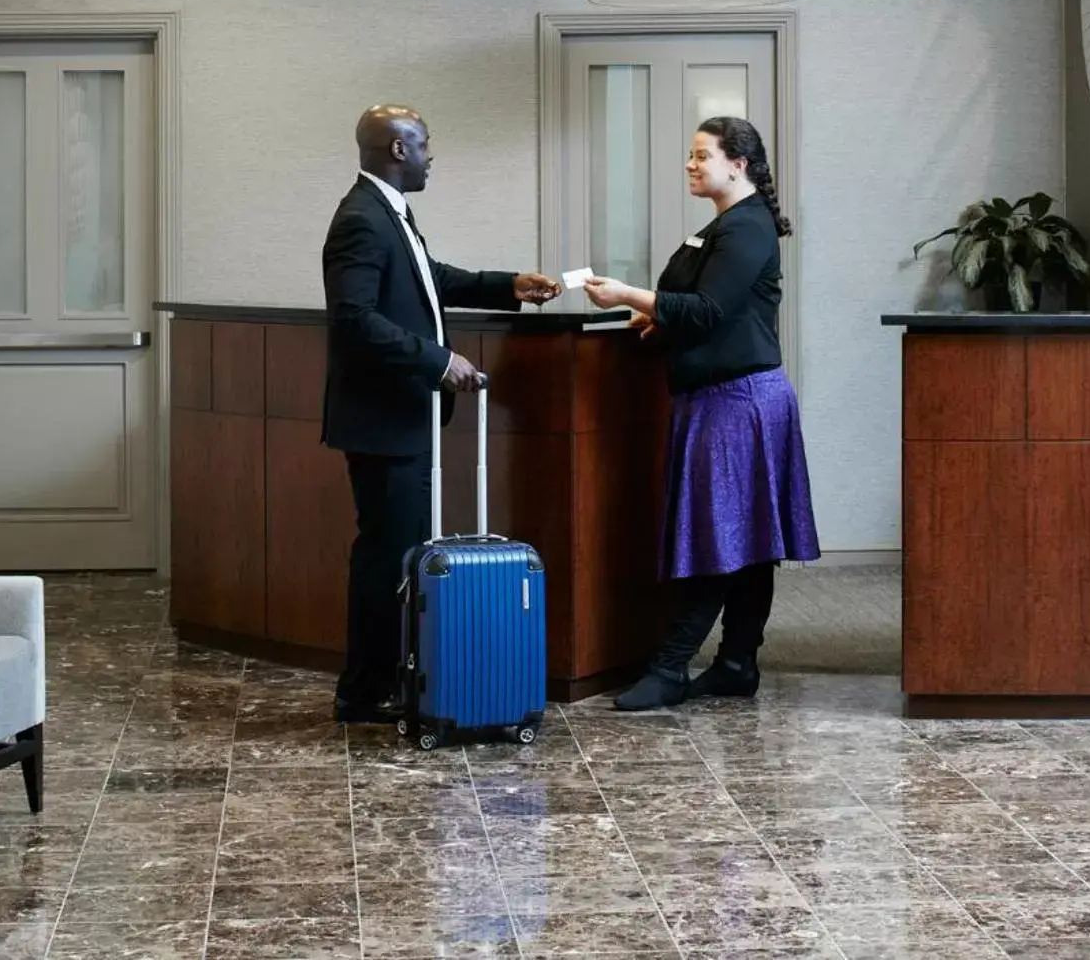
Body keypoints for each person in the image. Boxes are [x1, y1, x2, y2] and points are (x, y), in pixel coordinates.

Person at [321, 105, 562, 723]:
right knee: (386, 555)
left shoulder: (387, 213)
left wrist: (509, 286)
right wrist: (438, 361)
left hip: (403, 420)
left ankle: (379, 680)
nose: (433, 155)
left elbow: (432, 280)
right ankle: (362, 689)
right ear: (398, 150)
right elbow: (353, 322)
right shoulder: (362, 221)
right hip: (385, 421)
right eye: (426, 144)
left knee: (396, 551)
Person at [582, 116, 819, 711]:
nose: (690, 165)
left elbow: (710, 309)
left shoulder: (745, 228)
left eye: (701, 155)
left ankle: (669, 669)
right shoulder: (721, 228)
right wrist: (657, 315)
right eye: (689, 156)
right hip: (724, 400)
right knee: (746, 541)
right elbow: (697, 306)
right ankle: (737, 663)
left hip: (738, 402)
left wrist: (630, 296)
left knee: (724, 538)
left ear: (737, 163)